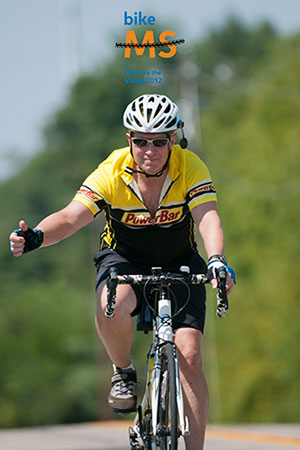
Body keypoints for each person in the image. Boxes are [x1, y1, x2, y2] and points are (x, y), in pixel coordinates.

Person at [9, 94, 235, 450]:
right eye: (140, 141)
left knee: (190, 354)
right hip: (123, 258)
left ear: (173, 140)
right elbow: (71, 217)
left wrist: (217, 259)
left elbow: (208, 218)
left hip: (180, 260)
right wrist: (36, 236)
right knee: (110, 299)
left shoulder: (190, 167)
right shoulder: (111, 172)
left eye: (159, 141)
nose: (149, 149)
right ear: (129, 139)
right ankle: (124, 370)